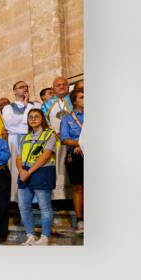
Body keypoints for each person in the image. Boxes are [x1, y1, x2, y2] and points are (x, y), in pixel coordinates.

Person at [17, 107, 57, 245]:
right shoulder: (25, 137)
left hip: (42, 171)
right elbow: (18, 157)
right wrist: (21, 170)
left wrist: (29, 171)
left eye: (36, 116)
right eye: (30, 117)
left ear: (42, 119)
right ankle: (31, 236)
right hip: (25, 171)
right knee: (23, 206)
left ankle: (45, 237)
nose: (33, 119)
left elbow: (46, 155)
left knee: (44, 207)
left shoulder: (49, 134)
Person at [2, 80, 38, 201]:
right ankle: (18, 198)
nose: (25, 88)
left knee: (34, 166)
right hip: (16, 140)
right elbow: (10, 124)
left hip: (32, 139)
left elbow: (33, 123)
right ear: (15, 91)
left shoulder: (34, 105)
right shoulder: (8, 107)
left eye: (26, 86)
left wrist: (26, 107)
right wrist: (24, 120)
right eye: (21, 87)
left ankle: (35, 199)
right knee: (17, 168)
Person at [42, 75, 73, 202]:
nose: (61, 86)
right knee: (57, 169)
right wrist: (53, 132)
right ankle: (58, 198)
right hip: (55, 141)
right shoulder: (47, 104)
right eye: (58, 85)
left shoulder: (74, 100)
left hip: (73, 141)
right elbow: (44, 121)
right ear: (52, 89)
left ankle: (73, 198)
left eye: (64, 84)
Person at [59, 86, 85, 232]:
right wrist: (80, 144)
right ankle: (80, 219)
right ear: (75, 101)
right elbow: (64, 139)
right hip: (76, 156)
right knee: (79, 188)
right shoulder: (67, 118)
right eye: (82, 97)